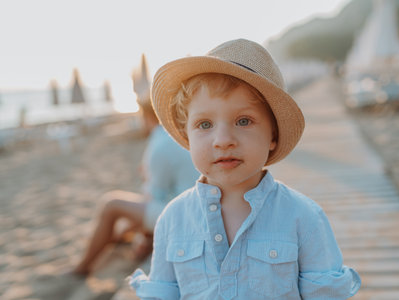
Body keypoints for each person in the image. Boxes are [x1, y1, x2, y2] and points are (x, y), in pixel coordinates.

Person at [129, 39, 361, 299]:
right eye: (205, 124)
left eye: (243, 121)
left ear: (272, 135)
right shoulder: (173, 219)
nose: (223, 139)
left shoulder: (303, 217)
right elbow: (161, 293)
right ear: (187, 135)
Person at [71, 82, 200, 276]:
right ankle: (121, 241)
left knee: (111, 204)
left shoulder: (161, 142)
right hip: (193, 207)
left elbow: (155, 195)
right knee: (127, 222)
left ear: (147, 116)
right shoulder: (181, 134)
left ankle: (82, 267)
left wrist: (142, 230)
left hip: (184, 216)